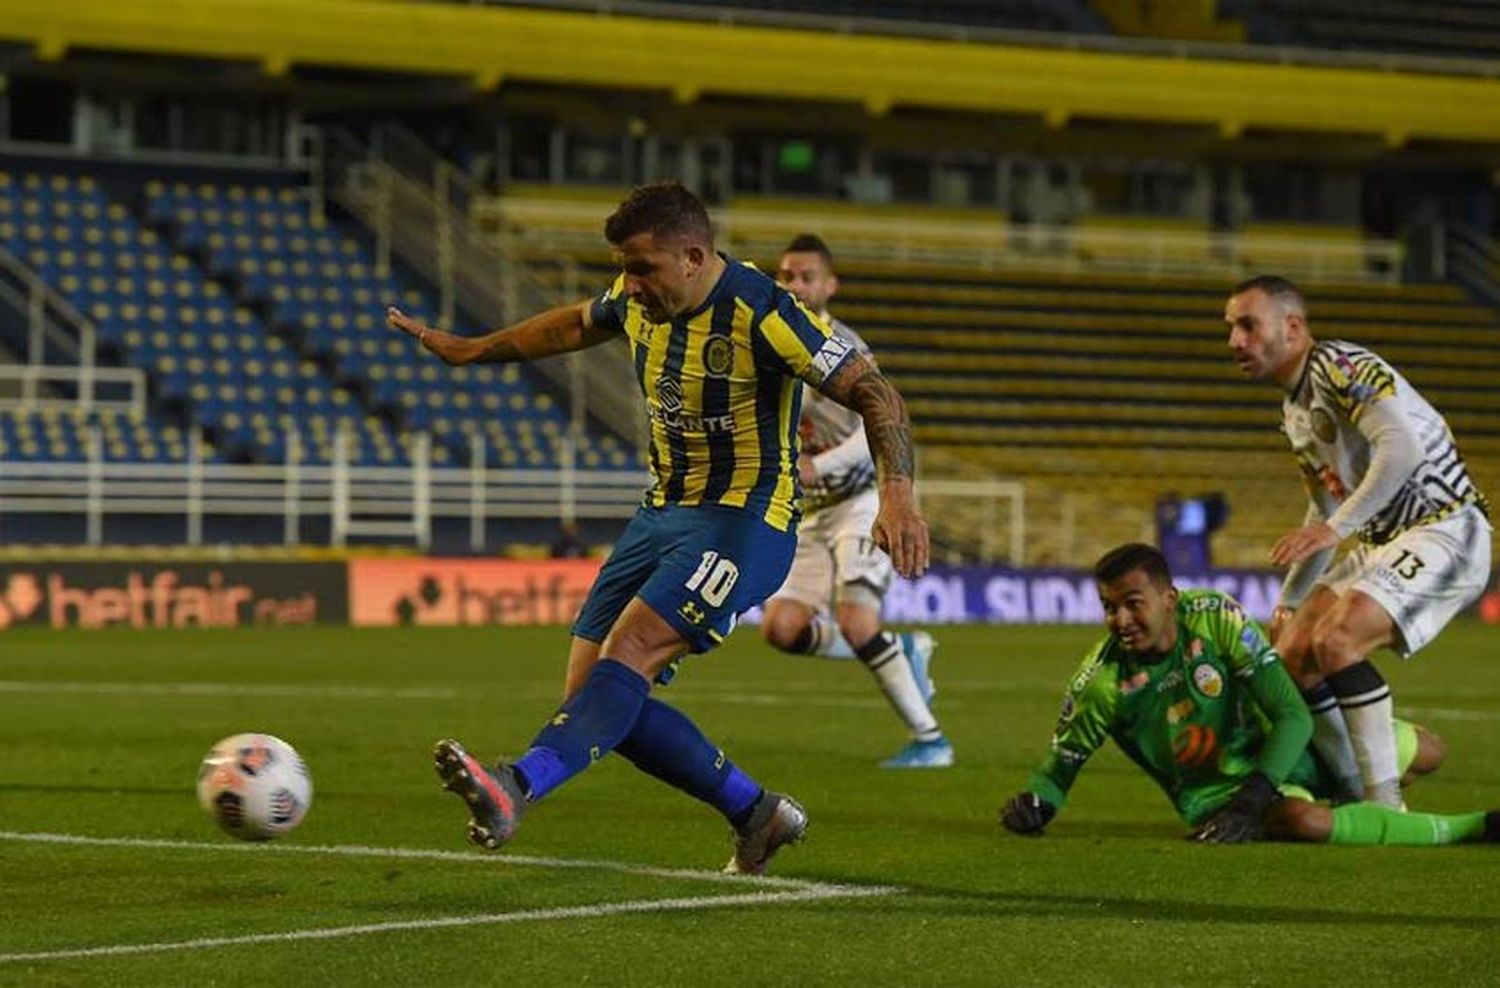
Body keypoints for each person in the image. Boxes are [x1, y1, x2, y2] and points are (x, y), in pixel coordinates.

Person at [386, 181, 929, 874]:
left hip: (743, 523)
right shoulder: (638, 295)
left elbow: (875, 391)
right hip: (661, 514)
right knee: (592, 698)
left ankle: (515, 785)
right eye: (625, 268)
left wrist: (899, 497)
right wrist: (473, 350)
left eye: (643, 269)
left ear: (695, 257)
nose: (630, 285)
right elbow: (577, 323)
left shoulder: (764, 312)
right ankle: (757, 813)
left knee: (634, 647)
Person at [1000, 543, 1499, 846]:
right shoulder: (1103, 683)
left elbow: (1291, 714)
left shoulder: (1216, 616)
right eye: (1109, 607)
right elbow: (1060, 770)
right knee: (1304, 820)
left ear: (1169, 599)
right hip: (1213, 792)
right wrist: (1036, 805)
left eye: (1133, 604)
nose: (1120, 621)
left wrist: (1258, 792)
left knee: (1430, 751)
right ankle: (1477, 827)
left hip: (1275, 748)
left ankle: (1341, 799)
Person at [1225, 275, 1492, 807]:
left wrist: (1336, 529)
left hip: (1446, 526)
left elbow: (1403, 447)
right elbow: (1323, 509)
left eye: (1248, 325)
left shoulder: (1342, 366)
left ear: (1293, 327)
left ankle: (1384, 802)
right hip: (1386, 538)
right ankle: (1352, 788)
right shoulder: (1294, 411)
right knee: (1291, 653)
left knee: (1337, 640)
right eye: (1231, 328)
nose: (1235, 340)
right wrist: (1290, 600)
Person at [760, 233, 951, 768]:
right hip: (810, 510)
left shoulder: (841, 344)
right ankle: (903, 650)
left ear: (829, 285)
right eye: (785, 276)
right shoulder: (770, 342)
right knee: (782, 629)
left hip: (860, 498)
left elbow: (877, 418)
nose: (794, 285)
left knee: (857, 621)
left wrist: (815, 465)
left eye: (805, 277)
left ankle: (931, 739)